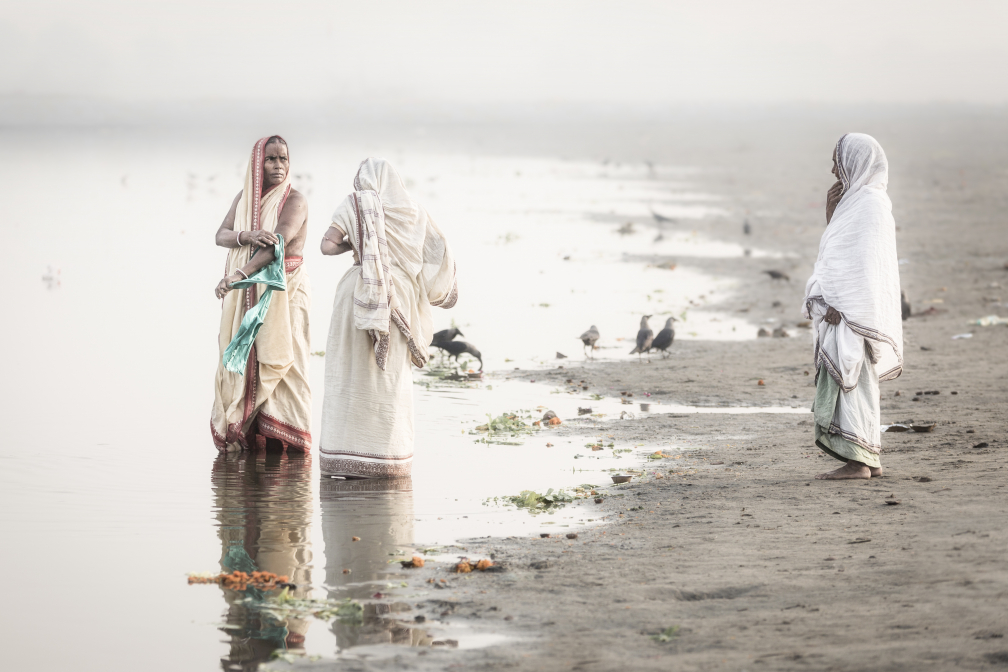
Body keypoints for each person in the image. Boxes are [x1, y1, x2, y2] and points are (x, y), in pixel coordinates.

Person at [319, 158, 458, 478]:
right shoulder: (415, 211)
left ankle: (348, 453)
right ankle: (388, 456)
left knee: (353, 373)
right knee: (391, 379)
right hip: (403, 299)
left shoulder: (358, 203)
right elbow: (438, 252)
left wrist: (361, 244)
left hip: (364, 290)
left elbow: (327, 246)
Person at [803, 133, 903, 480]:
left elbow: (861, 263)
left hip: (852, 307)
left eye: (837, 160)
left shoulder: (870, 205)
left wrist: (840, 304)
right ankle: (868, 459)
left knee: (853, 378)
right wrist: (832, 214)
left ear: (856, 161)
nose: (833, 169)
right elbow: (838, 249)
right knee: (858, 379)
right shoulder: (858, 202)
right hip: (850, 304)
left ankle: (858, 462)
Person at [210, 136, 312, 452]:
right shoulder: (245, 200)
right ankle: (249, 435)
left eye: (283, 159)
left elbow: (276, 246)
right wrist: (248, 235)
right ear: (258, 163)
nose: (278, 165)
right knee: (245, 356)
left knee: (285, 360)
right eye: (271, 159)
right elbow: (221, 235)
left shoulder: (294, 200)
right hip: (248, 293)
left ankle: (289, 440)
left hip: (285, 293)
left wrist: (239, 275)